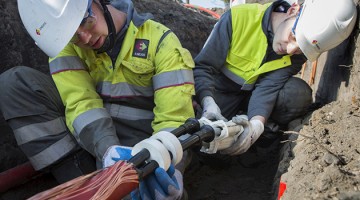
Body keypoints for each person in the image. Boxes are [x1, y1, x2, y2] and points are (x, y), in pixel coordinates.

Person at [0, 0, 195, 199]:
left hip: (144, 151)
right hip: (94, 146)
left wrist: (170, 166)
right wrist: (108, 151)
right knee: (15, 83)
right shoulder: (66, 46)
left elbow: (174, 120)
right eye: (73, 34)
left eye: (86, 21)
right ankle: (79, 181)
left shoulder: (161, 41)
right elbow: (81, 103)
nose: (84, 38)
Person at [194, 0, 357, 156]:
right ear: (293, 10)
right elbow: (204, 67)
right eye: (293, 36)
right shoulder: (238, 18)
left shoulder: (297, 54)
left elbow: (268, 87)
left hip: (253, 94)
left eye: (300, 49)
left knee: (296, 94)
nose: (290, 50)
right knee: (206, 141)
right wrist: (207, 102)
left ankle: (265, 136)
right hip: (220, 91)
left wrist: (256, 125)